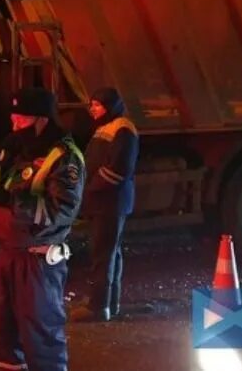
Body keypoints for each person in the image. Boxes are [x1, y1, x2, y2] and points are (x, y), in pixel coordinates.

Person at [0, 88, 85, 371]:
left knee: (41, 333)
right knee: (6, 332)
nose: (15, 125)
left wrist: (15, 203)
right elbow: (2, 184)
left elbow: (63, 210)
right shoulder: (14, 147)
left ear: (41, 120)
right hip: (8, 252)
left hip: (37, 259)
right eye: (13, 118)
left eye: (22, 119)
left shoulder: (63, 156)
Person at [70, 87, 139, 323]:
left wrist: (90, 188)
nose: (93, 109)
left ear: (110, 106)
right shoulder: (105, 127)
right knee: (110, 252)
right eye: (92, 104)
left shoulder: (122, 128)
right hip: (106, 201)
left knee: (102, 253)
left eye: (97, 105)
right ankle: (110, 303)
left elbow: (118, 168)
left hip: (110, 201)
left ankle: (98, 306)